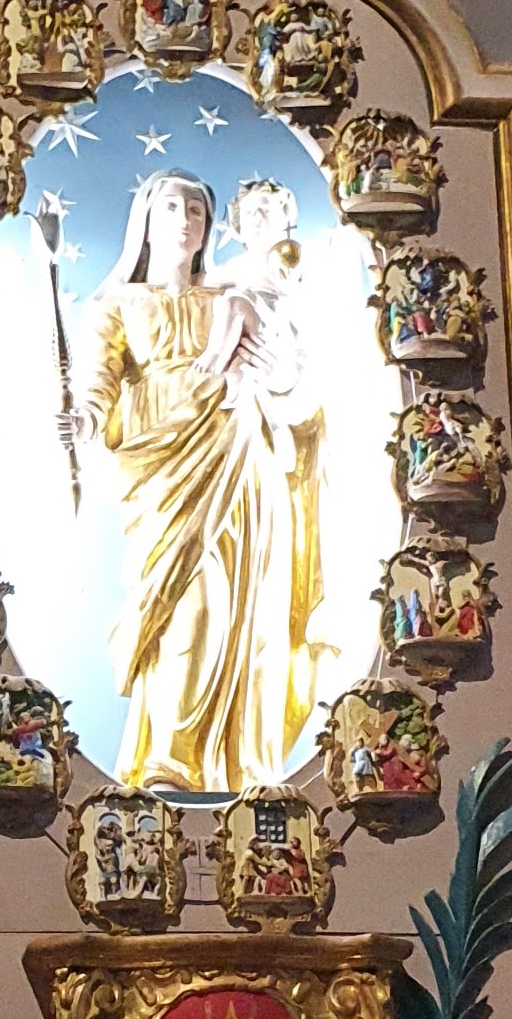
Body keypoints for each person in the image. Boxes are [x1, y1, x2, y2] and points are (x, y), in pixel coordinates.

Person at [71, 167, 323, 792]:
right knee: (191, 610)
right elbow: (96, 390)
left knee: (249, 615)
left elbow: (295, 388)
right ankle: (169, 761)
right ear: (144, 218)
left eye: (197, 211)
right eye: (171, 207)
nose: (185, 221)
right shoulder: (116, 305)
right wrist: (81, 419)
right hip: (164, 472)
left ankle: (241, 763)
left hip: (239, 464)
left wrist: (285, 376)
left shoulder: (232, 298)